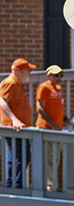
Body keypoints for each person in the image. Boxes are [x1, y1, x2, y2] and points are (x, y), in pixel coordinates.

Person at [1, 58, 36, 189]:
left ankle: (16, 185)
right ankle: (14, 186)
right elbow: (2, 101)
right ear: (19, 71)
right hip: (13, 128)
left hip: (20, 128)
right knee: (19, 156)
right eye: (28, 71)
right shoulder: (10, 83)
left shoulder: (17, 84)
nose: (29, 74)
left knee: (21, 156)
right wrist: (14, 119)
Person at [35, 65, 69, 130]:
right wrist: (53, 125)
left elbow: (57, 107)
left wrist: (66, 119)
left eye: (61, 75)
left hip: (57, 127)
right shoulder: (44, 87)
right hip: (45, 127)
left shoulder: (58, 88)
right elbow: (39, 109)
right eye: (56, 75)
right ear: (49, 75)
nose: (59, 78)